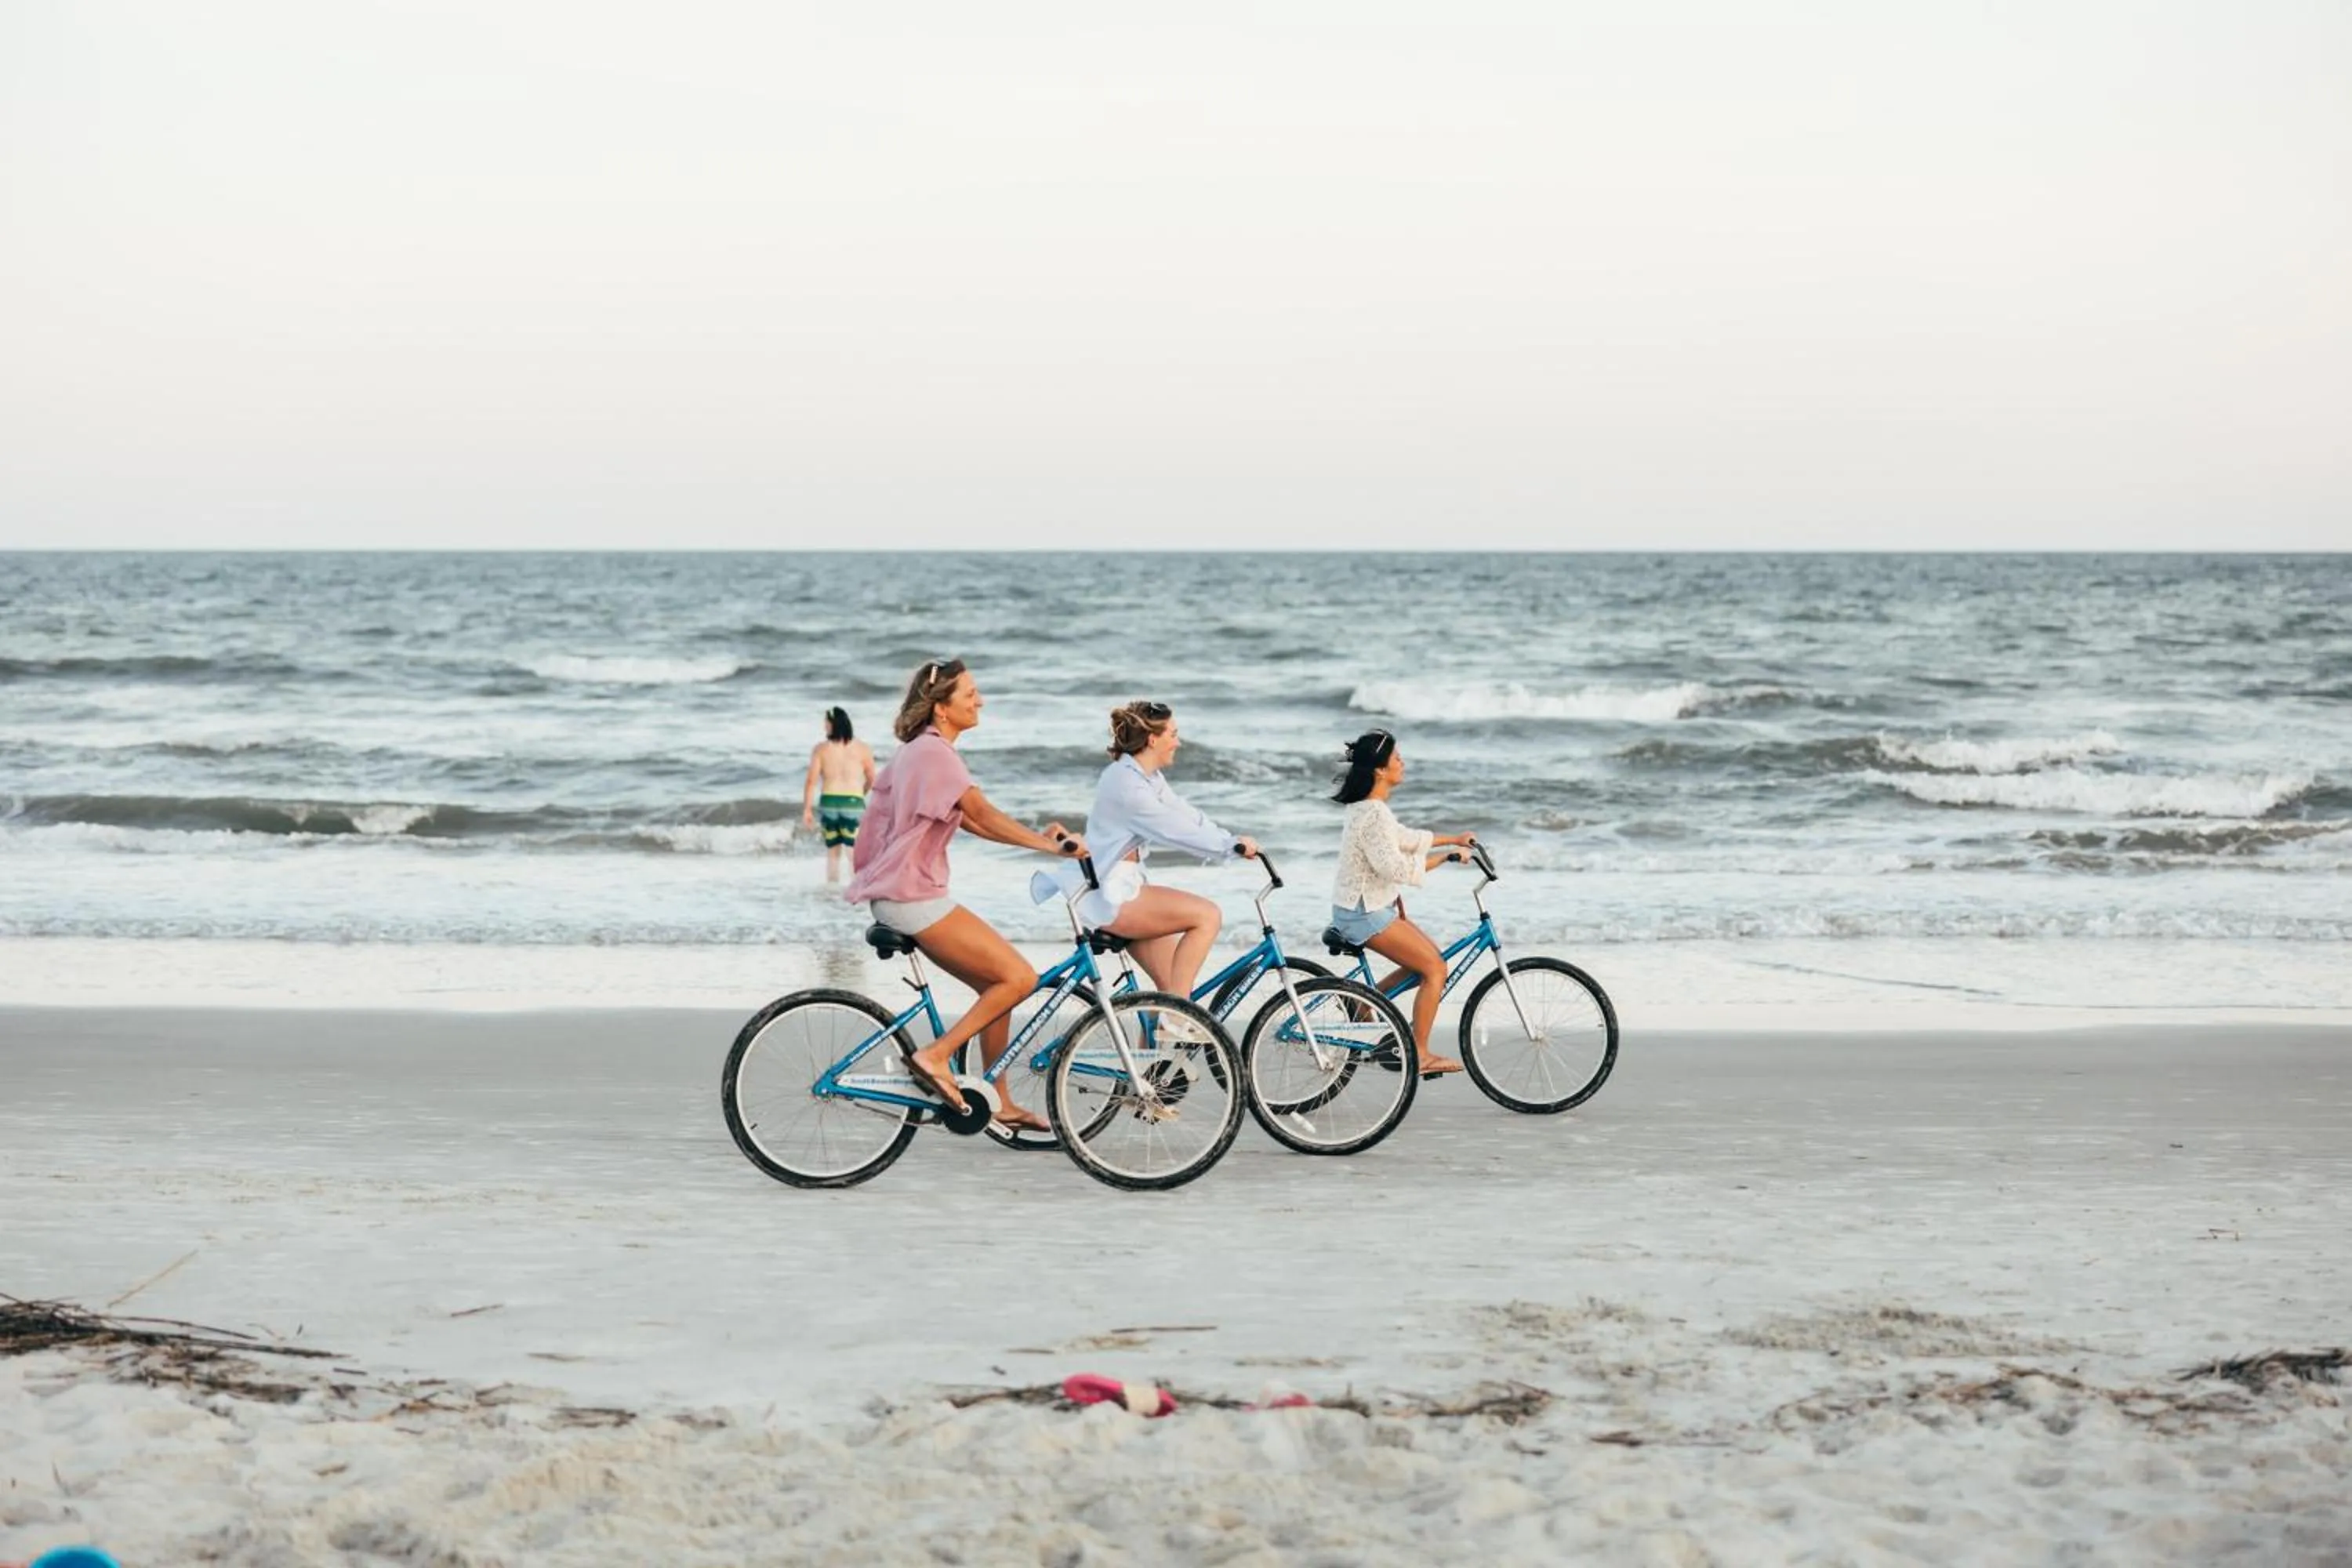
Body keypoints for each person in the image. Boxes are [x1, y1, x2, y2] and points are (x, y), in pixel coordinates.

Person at [842, 659, 1085, 1131]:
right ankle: (935, 1057)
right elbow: (982, 812)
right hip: (912, 896)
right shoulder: (935, 754)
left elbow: (971, 820)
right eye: (970, 694)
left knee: (997, 986)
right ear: (941, 707)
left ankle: (1000, 1101)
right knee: (1019, 978)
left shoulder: (920, 751)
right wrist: (1050, 848)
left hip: (905, 892)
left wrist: (1039, 839)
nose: (981, 702)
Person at [1074, 699, 1260, 997]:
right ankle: (1178, 1016)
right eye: (1173, 735)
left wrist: (1230, 840)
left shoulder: (1144, 777)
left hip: (1123, 887)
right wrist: (1228, 848)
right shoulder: (1128, 786)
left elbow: (1186, 815)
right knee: (1207, 916)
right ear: (1152, 740)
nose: (1178, 742)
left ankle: (1167, 1018)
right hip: (1114, 896)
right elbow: (1174, 830)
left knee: (1170, 988)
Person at [1328, 728, 1478, 1076]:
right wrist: (1446, 858)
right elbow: (1393, 867)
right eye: (1397, 758)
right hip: (1363, 912)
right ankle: (1419, 1053)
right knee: (1435, 969)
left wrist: (1454, 839)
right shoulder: (1373, 813)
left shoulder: (1370, 809)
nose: (1403, 762)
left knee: (1426, 961)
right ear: (1380, 770)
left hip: (1365, 907)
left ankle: (1360, 1001)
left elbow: (1404, 839)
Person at [800, 706, 877, 883]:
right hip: (853, 802)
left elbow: (811, 781)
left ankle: (832, 890)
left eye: (826, 723)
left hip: (829, 802)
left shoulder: (821, 749)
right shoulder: (863, 749)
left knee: (833, 852)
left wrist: (807, 810)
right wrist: (861, 794)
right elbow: (872, 779)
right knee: (853, 851)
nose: (824, 727)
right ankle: (856, 888)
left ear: (833, 724)